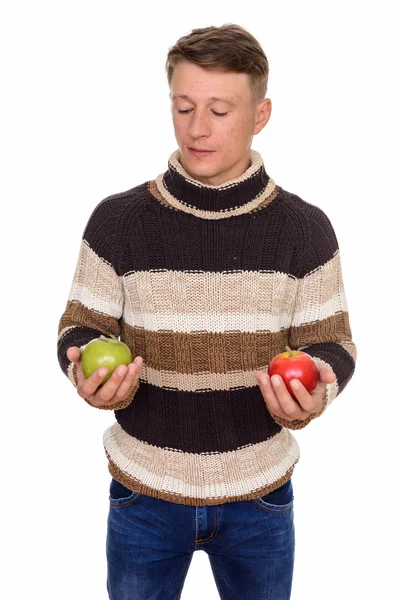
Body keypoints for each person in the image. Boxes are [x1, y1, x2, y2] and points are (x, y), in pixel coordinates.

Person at [57, 23, 357, 600]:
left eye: (220, 110)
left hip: (261, 497)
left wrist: (316, 388)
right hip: (143, 493)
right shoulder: (117, 221)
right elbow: (81, 325)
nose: (197, 128)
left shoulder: (305, 229)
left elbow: (331, 343)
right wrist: (85, 371)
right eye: (184, 106)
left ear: (261, 114)